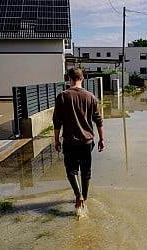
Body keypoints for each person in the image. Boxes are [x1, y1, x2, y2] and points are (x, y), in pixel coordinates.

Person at [53, 67, 105, 211]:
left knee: (71, 169)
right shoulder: (90, 96)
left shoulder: (62, 96)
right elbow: (98, 120)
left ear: (69, 79)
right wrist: (101, 139)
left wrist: (56, 140)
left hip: (70, 142)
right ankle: (85, 198)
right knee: (86, 170)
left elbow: (57, 121)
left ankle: (78, 195)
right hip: (87, 142)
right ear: (82, 79)